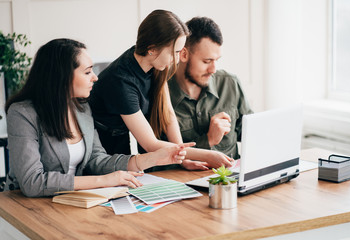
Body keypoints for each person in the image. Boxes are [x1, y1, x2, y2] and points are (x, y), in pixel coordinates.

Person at [4, 38, 195, 197]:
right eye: (87, 72)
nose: (95, 77)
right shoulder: (22, 114)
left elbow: (97, 159)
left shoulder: (82, 108)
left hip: (70, 201)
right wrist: (102, 181)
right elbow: (32, 182)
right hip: (23, 208)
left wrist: (151, 159)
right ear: (62, 77)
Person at [89, 10, 233, 170]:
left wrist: (182, 158)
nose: (178, 59)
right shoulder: (121, 82)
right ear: (152, 49)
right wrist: (208, 154)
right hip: (101, 148)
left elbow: (167, 113)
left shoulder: (157, 62)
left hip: (120, 140)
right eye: (175, 52)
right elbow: (150, 144)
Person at [168, 17, 253, 159]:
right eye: (207, 61)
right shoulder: (160, 95)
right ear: (183, 54)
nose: (213, 69)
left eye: (216, 61)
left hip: (232, 179)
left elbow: (252, 135)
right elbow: (154, 165)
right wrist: (208, 141)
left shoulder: (229, 83)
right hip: (182, 180)